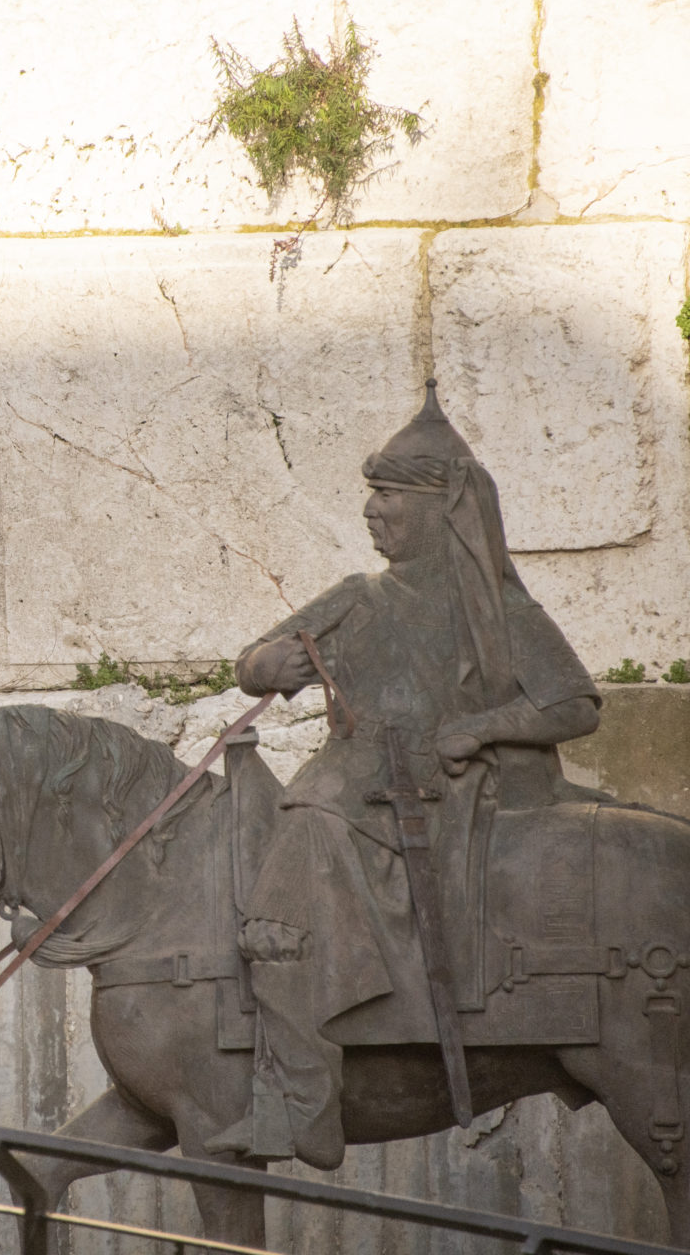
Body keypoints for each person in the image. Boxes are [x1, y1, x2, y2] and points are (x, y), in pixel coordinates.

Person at [209, 380, 600, 1168]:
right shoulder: (356, 598)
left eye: (388, 495)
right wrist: (270, 665)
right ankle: (302, 1096)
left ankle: (300, 1106)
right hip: (352, 779)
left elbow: (575, 702)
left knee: (277, 916)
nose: (371, 511)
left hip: (442, 794)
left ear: (436, 508)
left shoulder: (498, 611)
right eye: (372, 494)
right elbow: (254, 662)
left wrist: (482, 728)